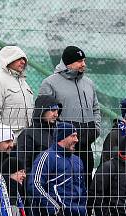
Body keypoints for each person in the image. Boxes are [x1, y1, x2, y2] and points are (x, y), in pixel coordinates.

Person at [38, 46, 101, 185]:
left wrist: (95, 129)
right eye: (79, 61)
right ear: (68, 63)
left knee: (86, 180)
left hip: (86, 143)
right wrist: (57, 134)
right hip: (64, 144)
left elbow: (96, 108)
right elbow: (44, 112)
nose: (83, 64)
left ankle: (85, 207)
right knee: (65, 182)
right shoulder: (50, 83)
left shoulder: (88, 83)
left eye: (84, 60)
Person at [0, 45, 34, 136]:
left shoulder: (23, 82)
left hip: (25, 139)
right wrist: (0, 139)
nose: (23, 62)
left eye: (24, 59)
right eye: (19, 59)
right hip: (7, 141)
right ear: (8, 60)